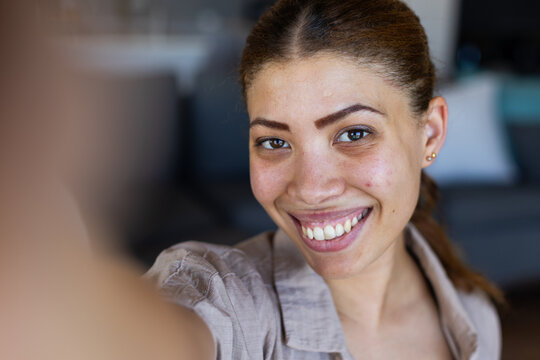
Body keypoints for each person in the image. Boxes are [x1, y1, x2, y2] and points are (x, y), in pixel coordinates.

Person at [145, 0, 503, 359]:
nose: (311, 189)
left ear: (429, 133)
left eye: (354, 134)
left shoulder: (476, 318)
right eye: (275, 142)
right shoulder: (229, 300)